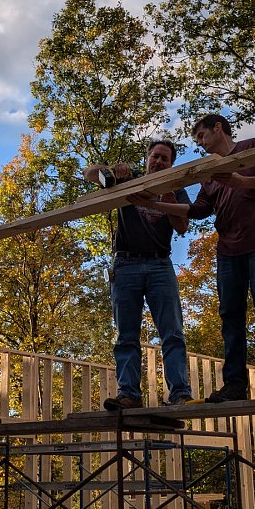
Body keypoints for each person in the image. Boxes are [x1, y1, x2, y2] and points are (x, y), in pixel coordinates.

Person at [133, 114, 255, 401]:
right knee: (230, 318)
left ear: (218, 128)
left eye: (202, 137)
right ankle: (234, 385)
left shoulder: (252, 147)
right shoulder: (209, 174)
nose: (201, 144)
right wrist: (156, 204)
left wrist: (241, 180)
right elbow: (197, 211)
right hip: (229, 251)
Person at [84, 139, 194, 410]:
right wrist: (111, 170)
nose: (158, 162)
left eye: (164, 159)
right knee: (126, 335)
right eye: (155, 157)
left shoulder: (176, 189)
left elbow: (181, 226)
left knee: (172, 332)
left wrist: (167, 194)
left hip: (159, 265)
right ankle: (129, 394)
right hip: (126, 264)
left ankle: (180, 393)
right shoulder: (128, 181)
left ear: (171, 164)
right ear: (147, 159)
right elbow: (89, 173)